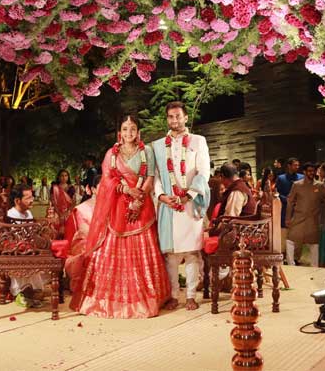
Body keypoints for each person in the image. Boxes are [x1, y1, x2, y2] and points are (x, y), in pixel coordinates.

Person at [67, 114, 170, 318]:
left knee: (143, 247)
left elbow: (150, 177)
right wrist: (125, 190)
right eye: (125, 129)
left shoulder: (146, 151)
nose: (129, 133)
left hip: (141, 206)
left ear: (138, 132)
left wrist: (138, 199)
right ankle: (108, 299)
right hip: (117, 208)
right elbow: (106, 181)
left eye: (132, 129)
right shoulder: (111, 154)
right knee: (110, 248)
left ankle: (146, 297)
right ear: (119, 133)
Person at [152, 101, 211, 311]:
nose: (174, 120)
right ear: (167, 119)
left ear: (185, 118)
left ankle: (192, 296)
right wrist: (160, 196)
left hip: (190, 205)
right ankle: (174, 295)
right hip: (168, 206)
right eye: (170, 117)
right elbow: (157, 175)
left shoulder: (198, 141)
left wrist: (189, 195)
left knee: (192, 253)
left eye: (178, 116)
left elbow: (204, 172)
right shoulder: (158, 146)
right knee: (172, 255)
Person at [0, 185, 47, 306]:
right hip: (8, 257)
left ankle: (28, 291)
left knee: (39, 287)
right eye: (28, 198)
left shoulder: (28, 214)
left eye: (32, 196)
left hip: (22, 254)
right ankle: (20, 292)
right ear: (17, 201)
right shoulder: (8, 217)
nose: (32, 200)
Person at [285, 162, 325, 267]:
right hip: (298, 218)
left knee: (314, 244)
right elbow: (290, 202)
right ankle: (291, 264)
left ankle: (315, 266)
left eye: (313, 171)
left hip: (313, 220)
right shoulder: (297, 185)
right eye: (309, 171)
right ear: (304, 172)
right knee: (290, 240)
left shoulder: (320, 185)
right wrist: (287, 218)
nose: (312, 173)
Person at [276, 158, 303, 254]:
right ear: (289, 166)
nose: (297, 167)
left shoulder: (301, 177)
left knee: (298, 233)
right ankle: (283, 254)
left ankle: (296, 256)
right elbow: (277, 192)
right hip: (284, 209)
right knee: (284, 233)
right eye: (295, 165)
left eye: (298, 165)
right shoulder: (281, 178)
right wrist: (287, 200)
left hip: (298, 209)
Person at [50, 169, 77, 234]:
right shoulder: (54, 188)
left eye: (66, 176)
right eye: (62, 176)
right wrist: (59, 214)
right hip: (56, 211)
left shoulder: (71, 188)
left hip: (68, 212)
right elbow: (53, 201)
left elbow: (73, 202)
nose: (64, 177)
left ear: (68, 177)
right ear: (58, 177)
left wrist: (67, 212)